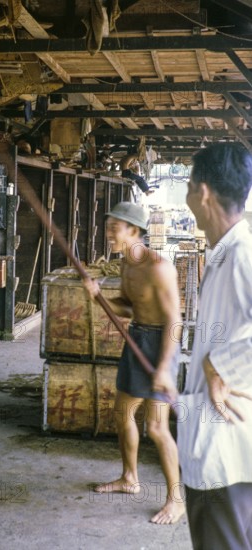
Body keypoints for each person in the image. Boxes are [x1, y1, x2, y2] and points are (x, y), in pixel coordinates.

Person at [83, 201, 185, 524]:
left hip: (161, 344)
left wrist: (165, 369)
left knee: (156, 426)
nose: (109, 233)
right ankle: (130, 478)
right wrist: (98, 295)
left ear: (134, 231)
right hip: (137, 338)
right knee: (122, 413)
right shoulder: (126, 264)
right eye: (109, 226)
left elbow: (174, 322)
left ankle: (176, 499)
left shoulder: (159, 268)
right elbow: (128, 308)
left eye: (115, 228)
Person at [178, 142, 252, 549]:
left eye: (188, 185)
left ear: (202, 192)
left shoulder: (242, 255)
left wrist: (218, 365)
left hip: (225, 452)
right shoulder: (225, 254)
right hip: (223, 446)